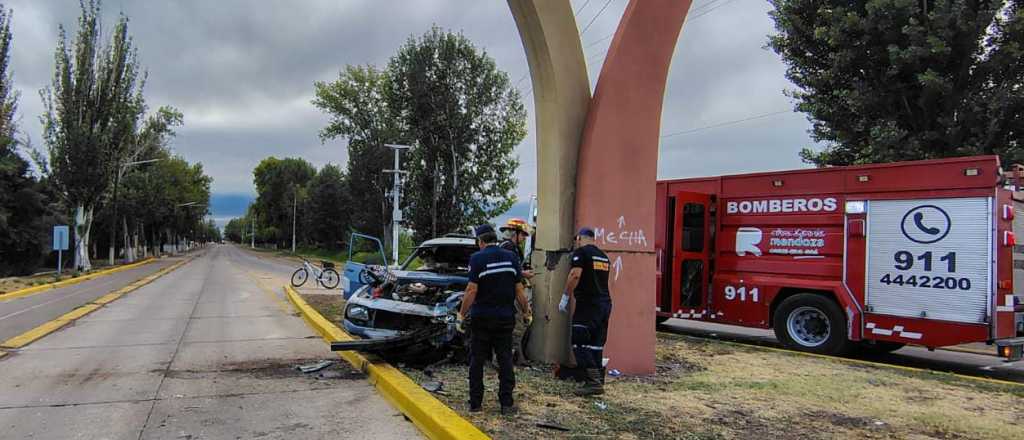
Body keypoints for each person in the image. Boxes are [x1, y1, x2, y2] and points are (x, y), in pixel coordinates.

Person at [459, 224, 533, 414]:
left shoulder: (477, 258)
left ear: (481, 242)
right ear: (495, 240)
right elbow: (519, 291)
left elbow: (471, 290)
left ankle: (475, 404)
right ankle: (506, 403)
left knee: (477, 361)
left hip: (481, 319)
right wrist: (526, 312)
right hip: (505, 319)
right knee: (505, 360)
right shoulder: (511, 257)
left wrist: (461, 314)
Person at [559, 227, 613, 396]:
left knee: (579, 341)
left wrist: (565, 297)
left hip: (588, 305)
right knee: (596, 345)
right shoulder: (603, 256)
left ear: (580, 238)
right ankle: (598, 381)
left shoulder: (581, 253)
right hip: (604, 304)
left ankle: (592, 382)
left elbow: (575, 275)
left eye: (577, 239)